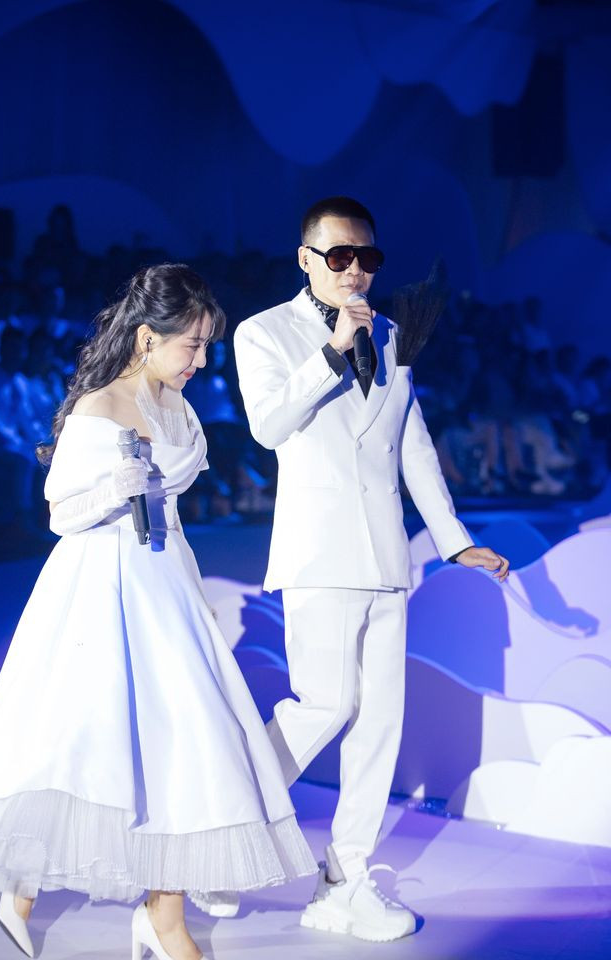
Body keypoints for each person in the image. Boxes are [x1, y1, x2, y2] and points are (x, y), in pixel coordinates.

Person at [0, 263, 315, 960]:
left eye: (205, 346)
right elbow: (61, 514)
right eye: (192, 345)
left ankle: (162, 915)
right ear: (147, 337)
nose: (201, 361)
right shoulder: (98, 407)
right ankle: (26, 880)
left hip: (167, 579)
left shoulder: (179, 407)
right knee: (82, 736)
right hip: (103, 585)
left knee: (185, 742)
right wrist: (112, 489)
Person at [233, 197, 509, 943]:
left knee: (380, 722)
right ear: (306, 259)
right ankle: (221, 827)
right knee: (324, 705)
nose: (355, 270)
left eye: (367, 257)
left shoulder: (390, 334)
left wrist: (453, 541)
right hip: (319, 555)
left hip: (386, 557)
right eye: (339, 256)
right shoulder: (264, 332)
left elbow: (412, 444)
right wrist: (331, 351)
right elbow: (268, 426)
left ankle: (345, 879)